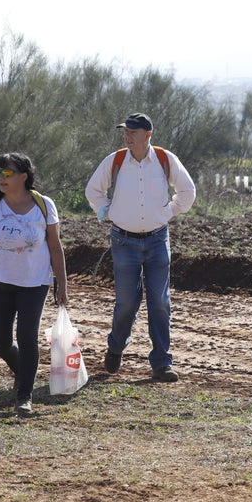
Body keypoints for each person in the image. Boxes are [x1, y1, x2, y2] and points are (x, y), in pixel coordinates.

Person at [85, 113, 197, 382]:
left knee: (160, 302)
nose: (127, 136)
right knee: (126, 303)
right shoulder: (115, 161)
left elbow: (187, 191)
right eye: (125, 132)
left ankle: (161, 363)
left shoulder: (165, 159)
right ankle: (116, 346)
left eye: (132, 132)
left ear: (148, 135)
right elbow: (93, 191)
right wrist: (107, 212)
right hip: (123, 242)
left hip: (158, 240)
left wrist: (169, 212)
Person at [0, 152, 68, 417]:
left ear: (23, 176)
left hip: (34, 282)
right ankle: (23, 373)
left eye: (8, 173)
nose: (2, 178)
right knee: (0, 339)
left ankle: (24, 396)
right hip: (0, 280)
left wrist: (62, 284)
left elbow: (55, 247)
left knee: (27, 336)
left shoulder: (43, 205)